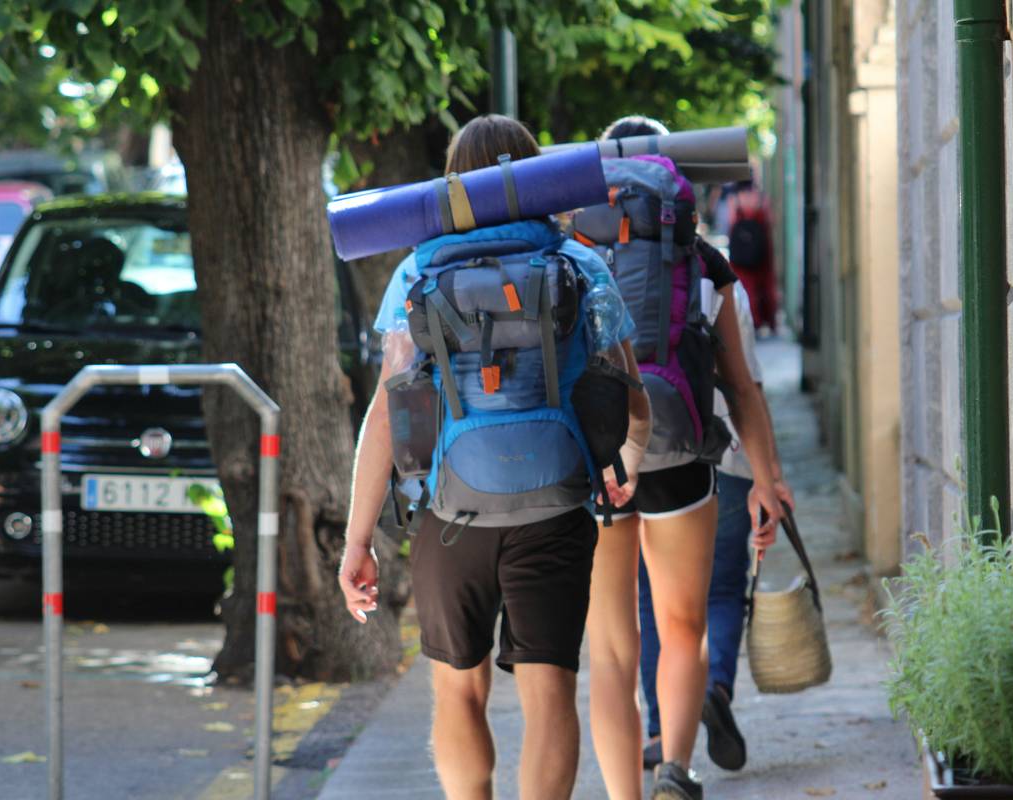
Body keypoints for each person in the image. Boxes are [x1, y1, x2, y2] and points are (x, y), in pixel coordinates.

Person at [337, 114, 650, 800]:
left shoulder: (420, 269)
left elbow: (389, 417)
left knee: (456, 691)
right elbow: (633, 403)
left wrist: (357, 539)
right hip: (556, 508)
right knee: (549, 696)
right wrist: (622, 464)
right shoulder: (579, 264)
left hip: (452, 514)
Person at [580, 115, 785, 800]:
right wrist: (767, 480)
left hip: (599, 463)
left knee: (611, 649)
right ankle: (675, 769)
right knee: (683, 625)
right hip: (678, 455)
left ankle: (623, 795)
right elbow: (741, 383)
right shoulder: (700, 263)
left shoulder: (574, 253)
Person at [639, 280, 795, 773]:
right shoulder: (718, 279)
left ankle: (663, 728)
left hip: (635, 459)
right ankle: (714, 688)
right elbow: (747, 386)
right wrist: (769, 476)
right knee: (724, 588)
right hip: (721, 455)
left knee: (650, 599)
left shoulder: (595, 259)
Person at [724, 177, 779, 334]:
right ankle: (767, 320)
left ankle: (750, 320)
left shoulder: (734, 199)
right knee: (765, 284)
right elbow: (770, 221)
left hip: (741, 252)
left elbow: (731, 222)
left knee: (745, 285)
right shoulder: (762, 199)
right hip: (761, 250)